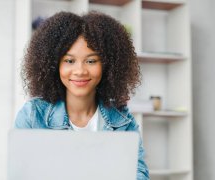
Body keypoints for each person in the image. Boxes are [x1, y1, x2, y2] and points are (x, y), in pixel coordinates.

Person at [15, 11, 149, 179]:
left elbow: (138, 174)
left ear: (108, 66)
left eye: (91, 61)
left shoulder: (122, 119)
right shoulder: (33, 115)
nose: (80, 71)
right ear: (53, 64)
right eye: (69, 61)